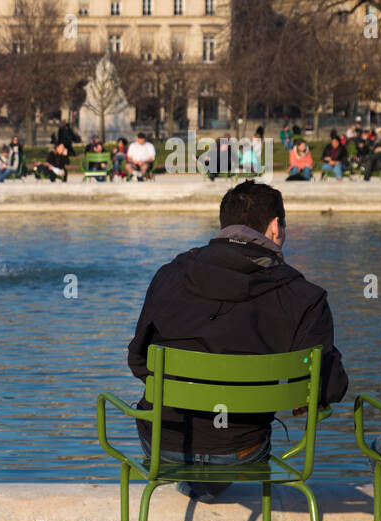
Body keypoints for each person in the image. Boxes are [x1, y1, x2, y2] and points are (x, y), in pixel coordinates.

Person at [127, 181, 348, 500]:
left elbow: (139, 362)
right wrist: (306, 394)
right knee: (236, 439)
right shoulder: (303, 297)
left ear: (224, 225)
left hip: (165, 444)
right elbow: (328, 386)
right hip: (243, 449)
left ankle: (197, 486)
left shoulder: (170, 274)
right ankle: (205, 486)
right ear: (275, 227)